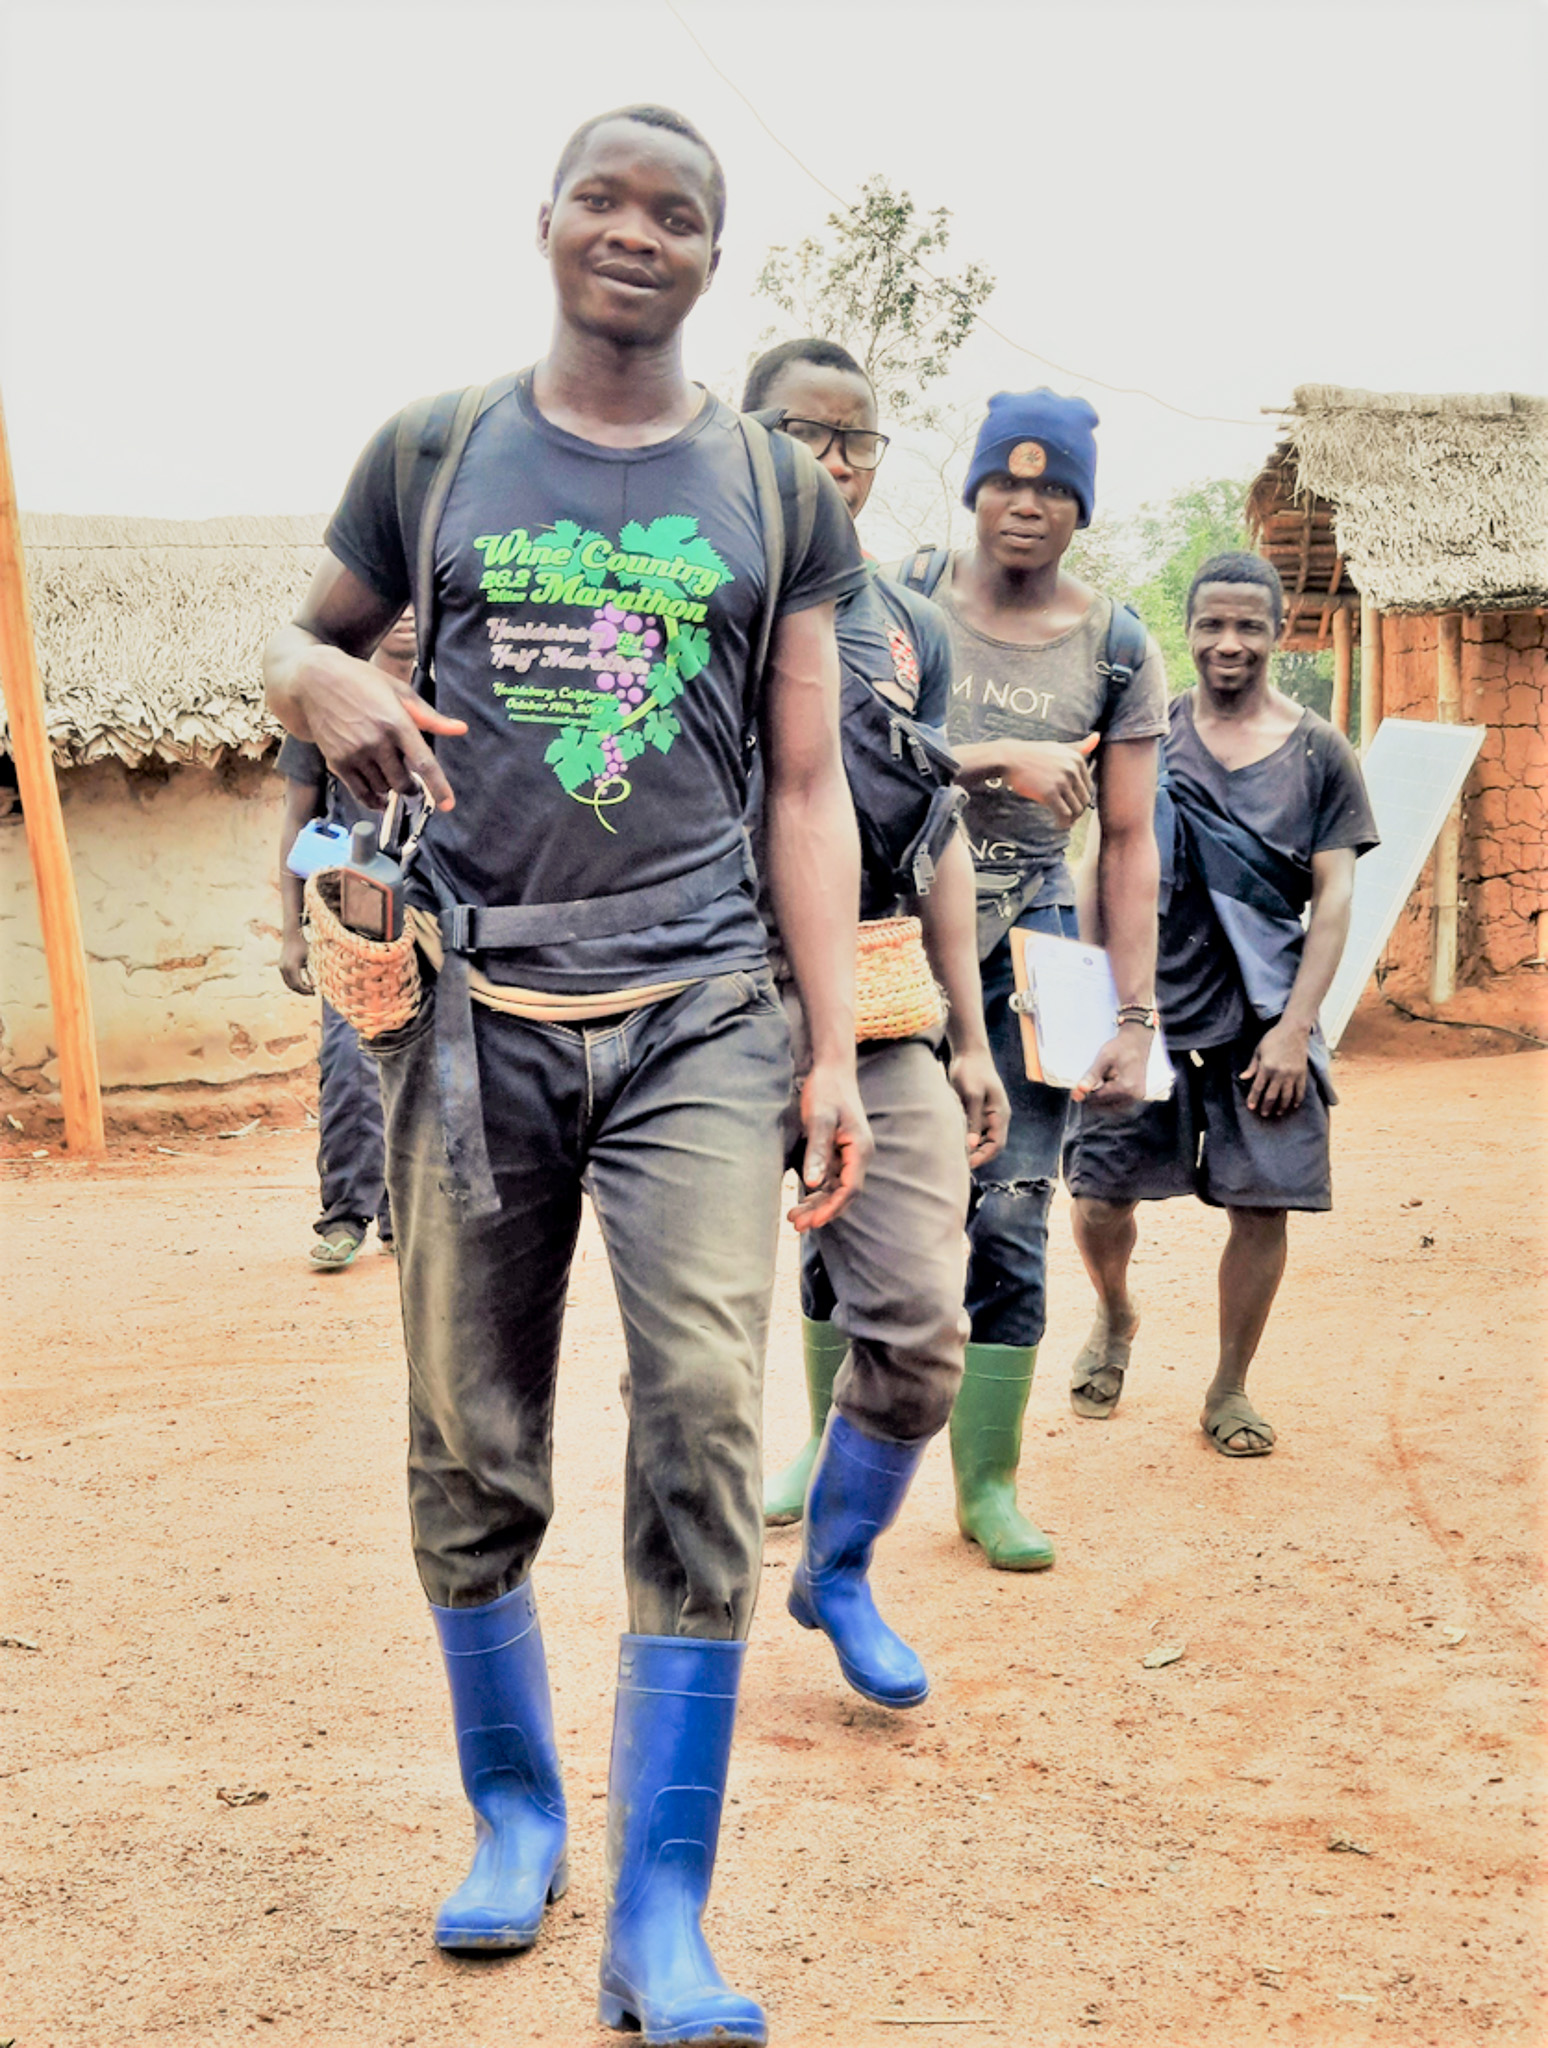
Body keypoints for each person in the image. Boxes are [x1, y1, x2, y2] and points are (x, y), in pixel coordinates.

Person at [263, 105, 871, 2048]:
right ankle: (516, 1813)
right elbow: (306, 646)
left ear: (710, 257)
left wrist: (833, 1041)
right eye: (602, 198)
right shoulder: (433, 450)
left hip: (702, 1009)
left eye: (674, 212)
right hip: (472, 1010)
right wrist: (310, 674)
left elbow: (804, 785)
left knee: (700, 1406)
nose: (634, 230)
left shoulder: (771, 489)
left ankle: (661, 1915)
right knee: (473, 1430)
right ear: (544, 224)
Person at [741, 338, 1010, 1709]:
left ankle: (837, 1569)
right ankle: (680, 1639)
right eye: (808, 432)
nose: (838, 463)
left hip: (877, 987)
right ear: (746, 434)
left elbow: (936, 831)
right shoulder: (690, 586)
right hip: (711, 986)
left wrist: (970, 1035)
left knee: (917, 1319)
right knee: (695, 1353)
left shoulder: (909, 630)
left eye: (859, 440)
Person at [890, 390, 1165, 1569]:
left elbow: (1131, 842)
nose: (1026, 503)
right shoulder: (900, 598)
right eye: (1008, 478)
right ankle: (820, 1446)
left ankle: (990, 1483)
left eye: (1054, 487)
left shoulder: (1118, 646)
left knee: (1013, 1208)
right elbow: (843, 751)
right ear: (976, 487)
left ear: (1080, 508)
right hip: (894, 925)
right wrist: (998, 754)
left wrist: (1131, 1014)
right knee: (857, 1189)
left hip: (1045, 939)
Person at [1064, 552, 1378, 1455]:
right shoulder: (1145, 736)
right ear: (1190, 629)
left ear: (1278, 633)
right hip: (1145, 1012)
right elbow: (1100, 866)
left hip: (1263, 1016)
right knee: (1098, 1195)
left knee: (1263, 1206)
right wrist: (1093, 1010)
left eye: (1248, 626)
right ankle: (1115, 1315)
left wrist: (1294, 1030)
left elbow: (1335, 900)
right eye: (1211, 624)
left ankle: (1230, 1386)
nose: (1228, 642)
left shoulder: (1320, 753)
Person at [274, 610, 417, 1267]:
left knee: (436, 1067)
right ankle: (345, 1216)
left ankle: (406, 1217)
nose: (407, 614)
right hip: (353, 918)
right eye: (395, 600)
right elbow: (296, 819)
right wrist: (292, 931)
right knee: (349, 1061)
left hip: (442, 911)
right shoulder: (328, 705)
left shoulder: (457, 696)